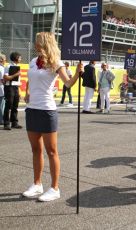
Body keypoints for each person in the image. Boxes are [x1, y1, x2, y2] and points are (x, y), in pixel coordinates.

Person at [23, 32, 82, 201]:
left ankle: (55, 188)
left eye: (38, 42)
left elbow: (68, 83)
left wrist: (77, 73)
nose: (35, 45)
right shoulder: (34, 62)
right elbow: (29, 80)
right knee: (36, 150)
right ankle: (37, 184)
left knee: (51, 151)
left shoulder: (56, 63)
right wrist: (27, 93)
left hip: (47, 111)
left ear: (45, 43)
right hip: (32, 109)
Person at [3, 52, 22, 130]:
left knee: (15, 105)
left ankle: (14, 122)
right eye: (20, 57)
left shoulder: (17, 66)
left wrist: (19, 90)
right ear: (16, 58)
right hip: (9, 87)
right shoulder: (8, 66)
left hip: (16, 87)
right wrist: (16, 75)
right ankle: (6, 123)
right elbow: (5, 77)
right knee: (8, 105)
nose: (21, 59)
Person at [0, 54, 6, 125]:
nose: (5, 61)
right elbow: (2, 79)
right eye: (4, 59)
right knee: (1, 105)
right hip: (1, 88)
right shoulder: (1, 68)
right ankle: (1, 120)